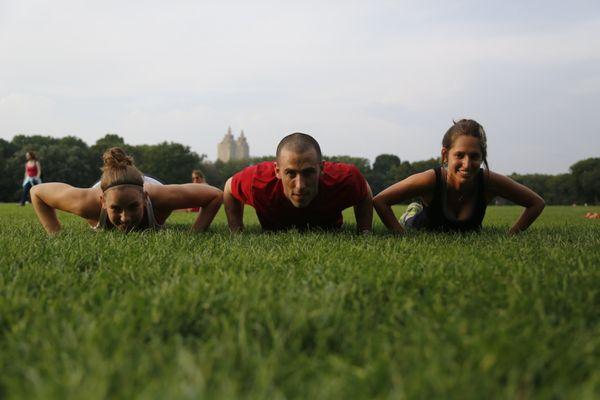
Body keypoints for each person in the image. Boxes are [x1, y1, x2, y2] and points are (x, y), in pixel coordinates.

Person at [373, 119, 545, 235]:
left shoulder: (488, 182)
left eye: (475, 156)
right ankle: (412, 210)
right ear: (445, 155)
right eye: (459, 155)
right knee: (412, 217)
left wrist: (512, 236)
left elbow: (536, 203)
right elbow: (380, 200)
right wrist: (400, 236)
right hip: (416, 224)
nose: (467, 163)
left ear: (482, 157)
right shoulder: (430, 180)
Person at [30, 147, 223, 234]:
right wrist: (55, 233)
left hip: (145, 184)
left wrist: (196, 232)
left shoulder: (159, 197)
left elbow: (214, 195)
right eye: (116, 209)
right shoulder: (86, 203)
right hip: (108, 185)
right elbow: (37, 192)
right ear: (102, 202)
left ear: (144, 199)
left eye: (133, 207)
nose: (125, 217)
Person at [223, 132, 373, 232]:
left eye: (308, 172)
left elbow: (364, 190)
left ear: (321, 168)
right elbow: (229, 187)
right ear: (277, 171)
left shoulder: (343, 178)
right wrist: (237, 231)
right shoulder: (258, 181)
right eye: (290, 173)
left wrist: (364, 231)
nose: (300, 185)